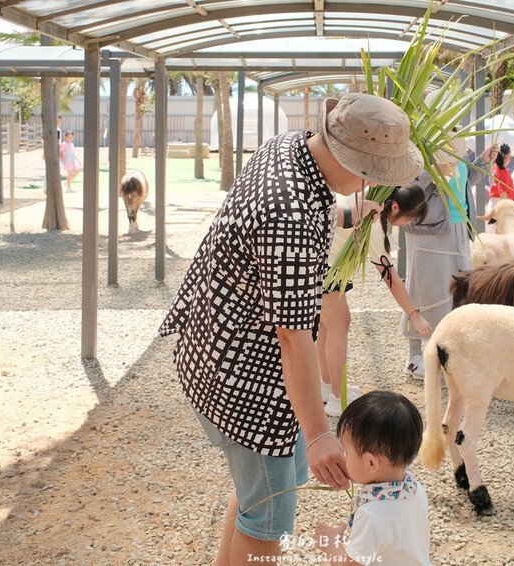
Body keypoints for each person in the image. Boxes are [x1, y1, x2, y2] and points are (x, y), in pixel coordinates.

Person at [158, 93, 423, 565]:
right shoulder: (291, 216)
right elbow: (294, 337)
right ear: (352, 161)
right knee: (270, 519)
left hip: (208, 345)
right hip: (244, 375)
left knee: (257, 493)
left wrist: (343, 216)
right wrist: (320, 434)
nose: (370, 186)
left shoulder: (287, 147)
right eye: (371, 175)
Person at [318, 187, 432, 417]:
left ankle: (328, 386)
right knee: (339, 323)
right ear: (396, 207)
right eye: (409, 218)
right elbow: (390, 276)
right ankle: (336, 400)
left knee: (326, 326)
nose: (408, 223)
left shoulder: (365, 192)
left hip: (319, 258)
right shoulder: (373, 220)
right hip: (325, 265)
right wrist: (414, 315)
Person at [401, 137, 497, 378]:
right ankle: (414, 356)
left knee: (457, 291)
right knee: (422, 288)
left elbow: (464, 183)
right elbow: (404, 190)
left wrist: (482, 162)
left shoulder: (457, 152)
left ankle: (448, 351)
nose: (454, 131)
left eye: (455, 127)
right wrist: (431, 173)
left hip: (457, 229)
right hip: (428, 232)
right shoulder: (420, 149)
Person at [315, 391, 432, 566]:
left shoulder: (372, 516)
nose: (344, 458)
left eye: (346, 452)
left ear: (371, 463)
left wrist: (332, 545)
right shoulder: (413, 488)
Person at [489, 143, 514, 207]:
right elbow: (503, 193)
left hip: (493, 202)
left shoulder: (494, 168)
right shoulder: (502, 172)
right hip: (501, 204)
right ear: (508, 155)